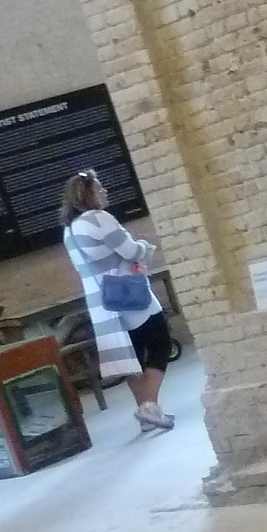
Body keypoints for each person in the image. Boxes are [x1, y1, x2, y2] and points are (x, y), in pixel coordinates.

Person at [58, 170, 176, 433]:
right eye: (99, 188)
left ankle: (147, 417)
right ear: (87, 195)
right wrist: (145, 246)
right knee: (160, 342)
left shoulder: (70, 230)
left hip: (103, 304)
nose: (105, 191)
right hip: (128, 294)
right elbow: (131, 251)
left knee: (132, 356)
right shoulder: (98, 218)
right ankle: (149, 405)